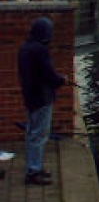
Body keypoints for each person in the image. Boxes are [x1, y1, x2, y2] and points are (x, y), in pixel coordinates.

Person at [17, 17, 67, 186]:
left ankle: (34, 167)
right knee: (39, 135)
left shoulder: (24, 48)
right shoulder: (40, 50)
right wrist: (61, 80)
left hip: (30, 97)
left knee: (31, 133)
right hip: (42, 98)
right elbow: (48, 74)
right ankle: (33, 171)